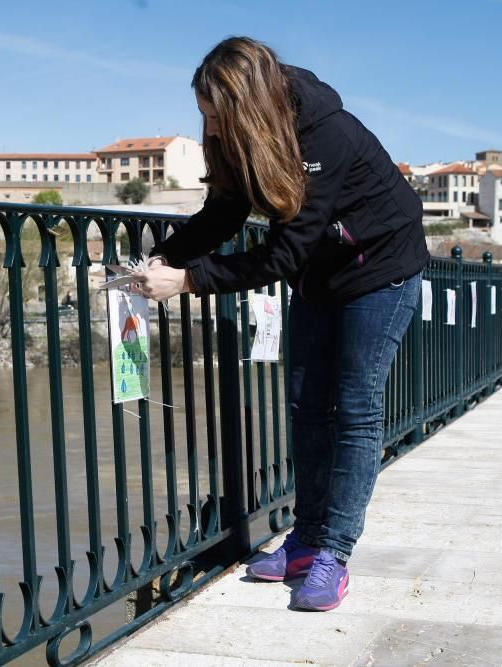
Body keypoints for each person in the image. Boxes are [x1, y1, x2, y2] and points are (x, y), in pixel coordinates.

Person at [135, 36, 429, 611]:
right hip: (321, 273)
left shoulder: (327, 134)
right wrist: (166, 258)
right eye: (204, 118)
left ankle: (333, 554)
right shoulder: (244, 137)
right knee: (304, 405)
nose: (211, 131)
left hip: (382, 269)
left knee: (355, 407)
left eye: (216, 118)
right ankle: (305, 538)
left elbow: (281, 256)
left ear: (246, 105)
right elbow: (222, 214)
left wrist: (190, 281)